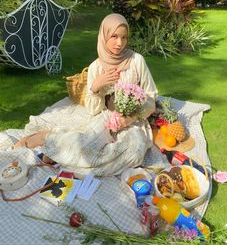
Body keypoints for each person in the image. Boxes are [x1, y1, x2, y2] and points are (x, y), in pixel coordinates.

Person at [13, 13, 158, 176]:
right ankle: (46, 139)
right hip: (106, 117)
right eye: (114, 36)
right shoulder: (96, 67)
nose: (119, 43)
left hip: (134, 120)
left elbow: (151, 96)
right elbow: (93, 110)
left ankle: (60, 157)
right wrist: (96, 87)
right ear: (104, 36)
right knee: (85, 145)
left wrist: (130, 118)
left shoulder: (136, 60)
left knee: (134, 154)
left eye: (124, 37)